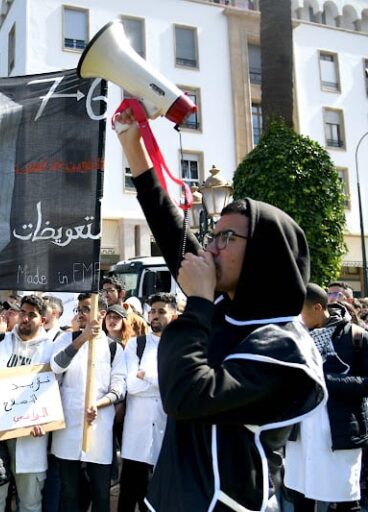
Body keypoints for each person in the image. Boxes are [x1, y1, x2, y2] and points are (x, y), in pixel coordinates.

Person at [115, 107, 326, 511]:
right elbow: (171, 227)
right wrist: (132, 144)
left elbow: (186, 396)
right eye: (212, 236)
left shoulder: (284, 350)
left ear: (265, 254)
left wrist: (195, 304)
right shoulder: (225, 305)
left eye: (226, 238)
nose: (210, 248)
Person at [285, 283, 368, 511]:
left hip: (339, 433)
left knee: (345, 500)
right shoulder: (295, 338)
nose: (296, 319)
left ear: (317, 308)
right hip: (301, 433)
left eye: (299, 311)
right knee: (301, 499)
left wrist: (326, 380)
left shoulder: (356, 337)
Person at [49, 293, 126, 512]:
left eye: (86, 309)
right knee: (69, 493)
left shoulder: (113, 348)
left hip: (99, 427)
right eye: (79, 309)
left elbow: (119, 388)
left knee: (101, 493)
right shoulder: (66, 339)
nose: (80, 313)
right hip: (68, 428)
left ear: (101, 314)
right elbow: (56, 367)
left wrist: (100, 404)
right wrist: (81, 339)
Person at [0, 295, 54, 512]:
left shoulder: (49, 348)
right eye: (22, 312)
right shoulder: (5, 344)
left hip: (30, 436)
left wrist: (46, 418)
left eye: (31, 315)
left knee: (30, 504)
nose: (24, 318)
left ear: (42, 320)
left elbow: (53, 389)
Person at [117, 293, 178, 512]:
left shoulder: (179, 345)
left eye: (161, 311)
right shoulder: (136, 344)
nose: (155, 315)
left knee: (158, 498)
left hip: (166, 432)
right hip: (137, 434)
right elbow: (131, 385)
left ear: (173, 315)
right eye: (152, 311)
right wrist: (161, 379)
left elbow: (177, 385)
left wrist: (147, 376)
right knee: (128, 494)